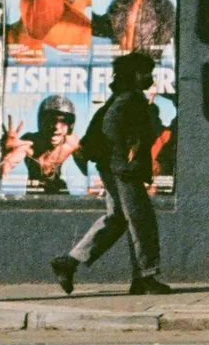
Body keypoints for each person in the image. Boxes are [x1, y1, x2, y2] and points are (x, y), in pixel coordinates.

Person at [51, 51, 169, 295]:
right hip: (124, 171)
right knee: (141, 222)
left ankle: (69, 262)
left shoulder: (125, 96)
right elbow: (111, 125)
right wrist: (128, 152)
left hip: (115, 168)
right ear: (135, 75)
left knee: (116, 219)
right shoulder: (129, 99)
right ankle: (146, 277)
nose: (150, 77)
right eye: (146, 73)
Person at [95, 0, 177, 54]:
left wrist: (158, 48)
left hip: (149, 60)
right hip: (124, 59)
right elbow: (104, 27)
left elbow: (173, 27)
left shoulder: (162, 5)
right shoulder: (119, 7)